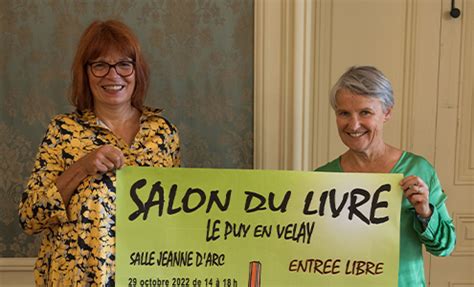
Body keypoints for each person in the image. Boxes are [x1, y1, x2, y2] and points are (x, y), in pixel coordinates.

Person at [19, 20, 181, 286]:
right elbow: (30, 217)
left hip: (145, 278)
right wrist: (81, 167)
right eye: (100, 65)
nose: (113, 75)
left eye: (124, 64)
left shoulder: (163, 133)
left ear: (136, 71)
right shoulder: (63, 131)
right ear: (86, 73)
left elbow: (174, 219)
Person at [315, 66, 456, 286]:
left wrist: (425, 212)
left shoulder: (418, 169)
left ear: (387, 113)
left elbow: (445, 246)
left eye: (365, 112)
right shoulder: (322, 178)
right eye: (344, 113)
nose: (353, 125)